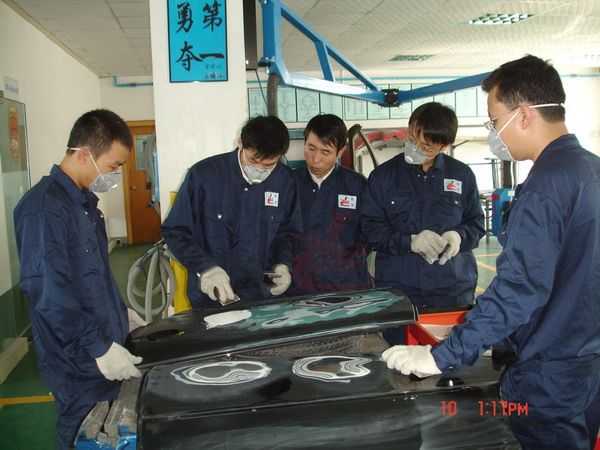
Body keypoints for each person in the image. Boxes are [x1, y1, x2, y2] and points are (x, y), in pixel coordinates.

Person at [382, 55, 600, 450]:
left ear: (524, 115)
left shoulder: (545, 187)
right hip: (588, 364)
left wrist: (441, 356)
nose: (494, 133)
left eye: (494, 121)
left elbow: (519, 290)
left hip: (550, 372)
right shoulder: (590, 170)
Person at [14, 109, 146, 450]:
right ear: (84, 154)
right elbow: (48, 293)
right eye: (114, 166)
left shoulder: (85, 205)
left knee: (107, 430)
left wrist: (121, 312)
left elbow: (95, 275)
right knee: (81, 432)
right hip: (76, 359)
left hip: (102, 344)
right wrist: (98, 347)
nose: (115, 175)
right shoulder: (43, 209)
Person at [162, 115, 303, 308]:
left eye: (269, 165)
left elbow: (287, 233)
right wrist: (206, 269)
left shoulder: (285, 181)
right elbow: (176, 231)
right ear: (240, 143)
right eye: (253, 161)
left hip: (263, 295)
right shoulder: (203, 176)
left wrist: (282, 264)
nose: (259, 169)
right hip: (213, 297)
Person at [361, 102, 484, 311]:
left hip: (452, 290)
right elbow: (370, 229)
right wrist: (409, 242)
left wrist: (458, 237)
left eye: (426, 146)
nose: (416, 148)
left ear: (444, 146)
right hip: (399, 291)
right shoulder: (383, 177)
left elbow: (476, 223)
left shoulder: (462, 175)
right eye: (412, 138)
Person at [290, 114, 369, 295]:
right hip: (299, 289)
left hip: (348, 288)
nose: (315, 159)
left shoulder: (357, 185)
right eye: (311, 148)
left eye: (325, 152)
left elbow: (370, 234)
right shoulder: (289, 184)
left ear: (340, 151)